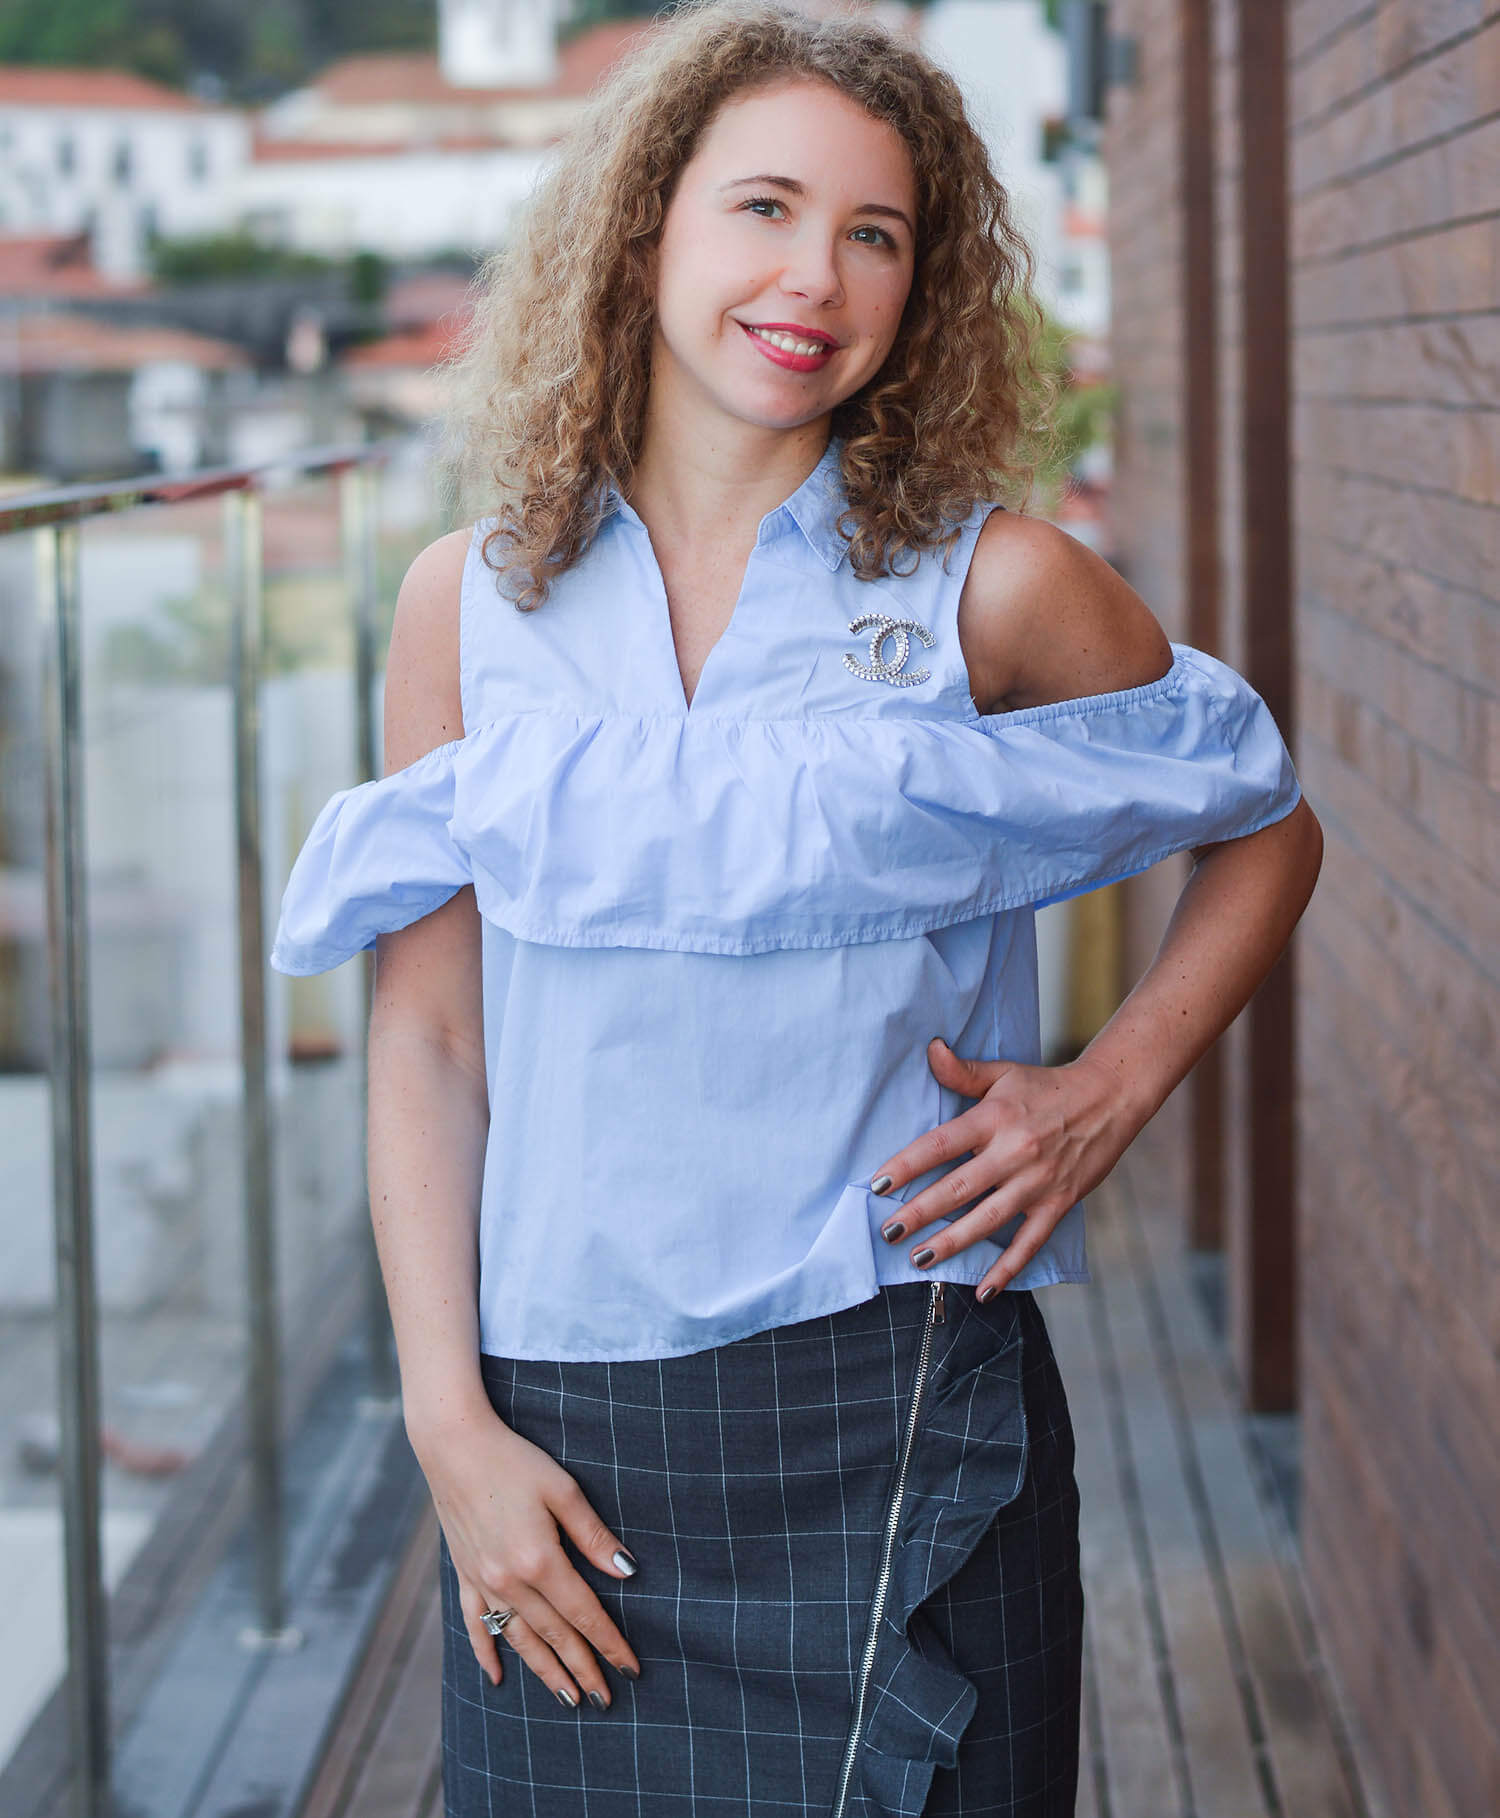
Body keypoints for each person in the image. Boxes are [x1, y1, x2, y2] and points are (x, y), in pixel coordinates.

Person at [269, 2, 1323, 1812]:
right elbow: (433, 1039)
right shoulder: (470, 603)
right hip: (555, 1438)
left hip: (904, 1400)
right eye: (762, 207)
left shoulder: (995, 585)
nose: (812, 276)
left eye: (875, 234)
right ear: (648, 225)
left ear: (922, 287)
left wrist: (1108, 1087)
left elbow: (1266, 820)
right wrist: (449, 1431)